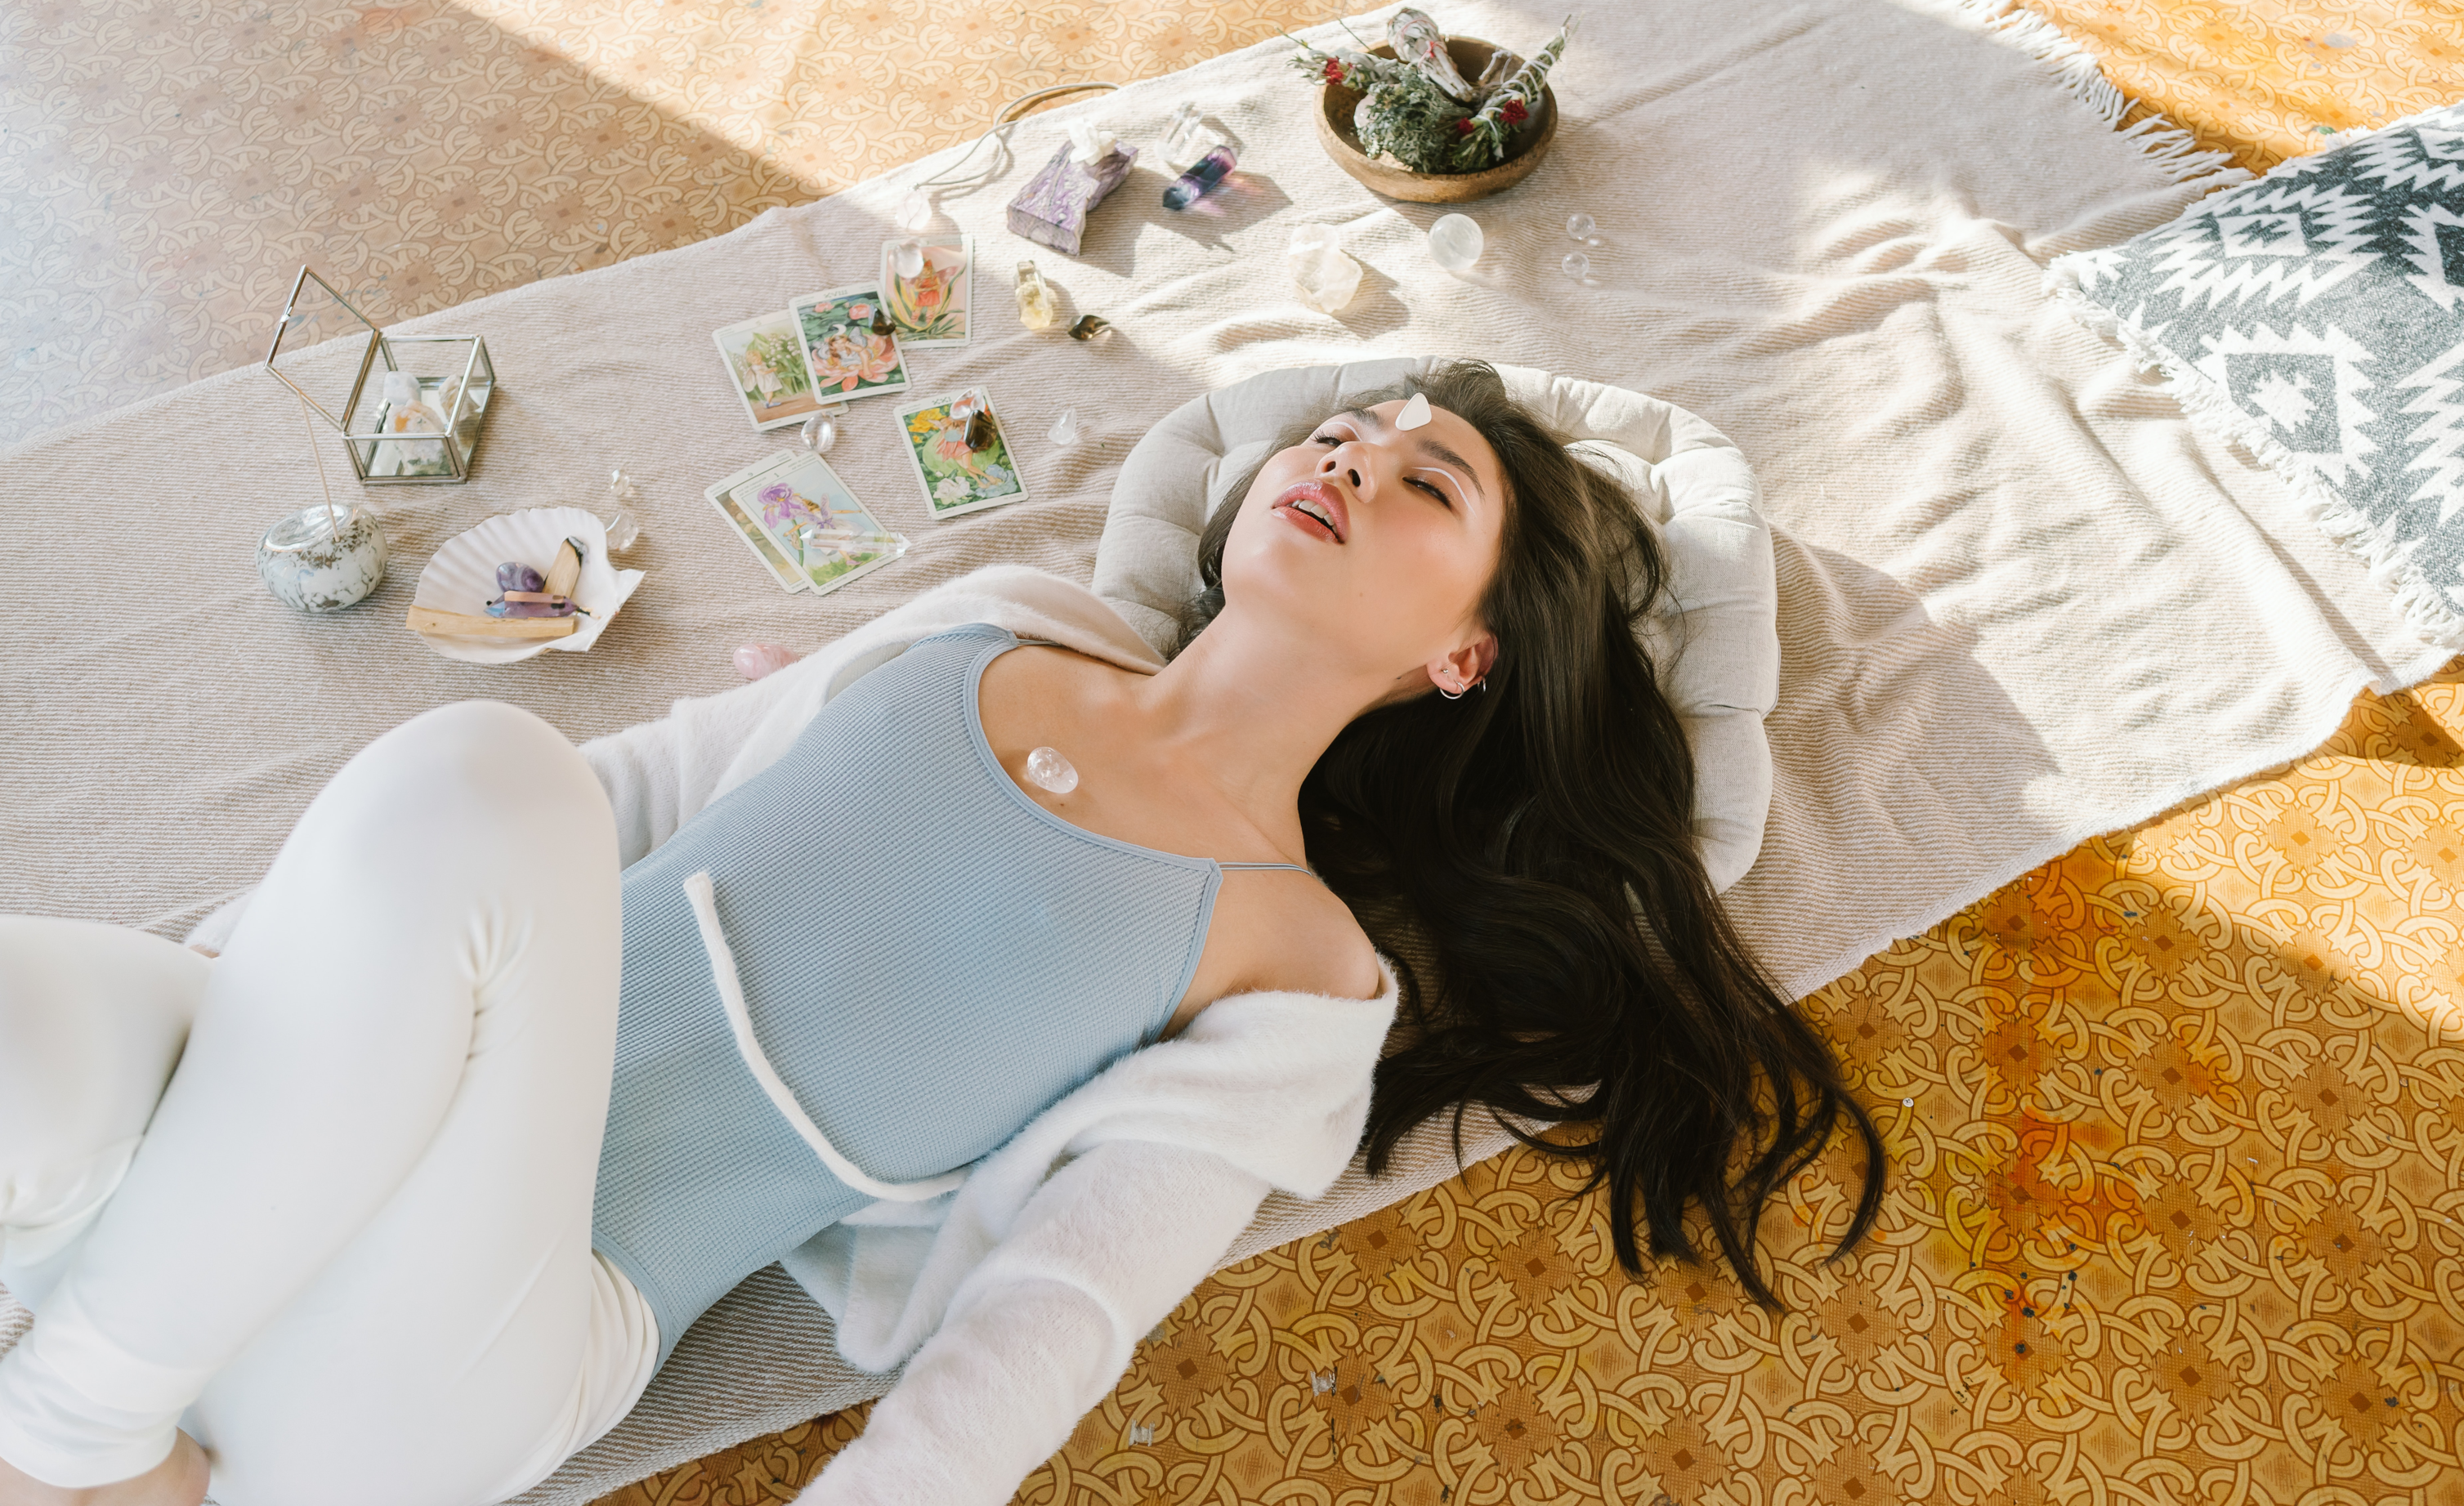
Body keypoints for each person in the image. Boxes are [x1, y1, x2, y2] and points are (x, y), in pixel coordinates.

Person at [0, 361, 1883, 1506]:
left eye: (1425, 483)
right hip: (245, 1163)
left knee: (481, 776)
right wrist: (267, 998)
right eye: (1342, 432)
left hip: (455, 1348)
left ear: (1459, 655)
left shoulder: (1295, 965)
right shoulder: (1002, 618)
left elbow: (1044, 1320)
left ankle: (69, 1424)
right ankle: (82, 1390)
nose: (1351, 463)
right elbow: (644, 788)